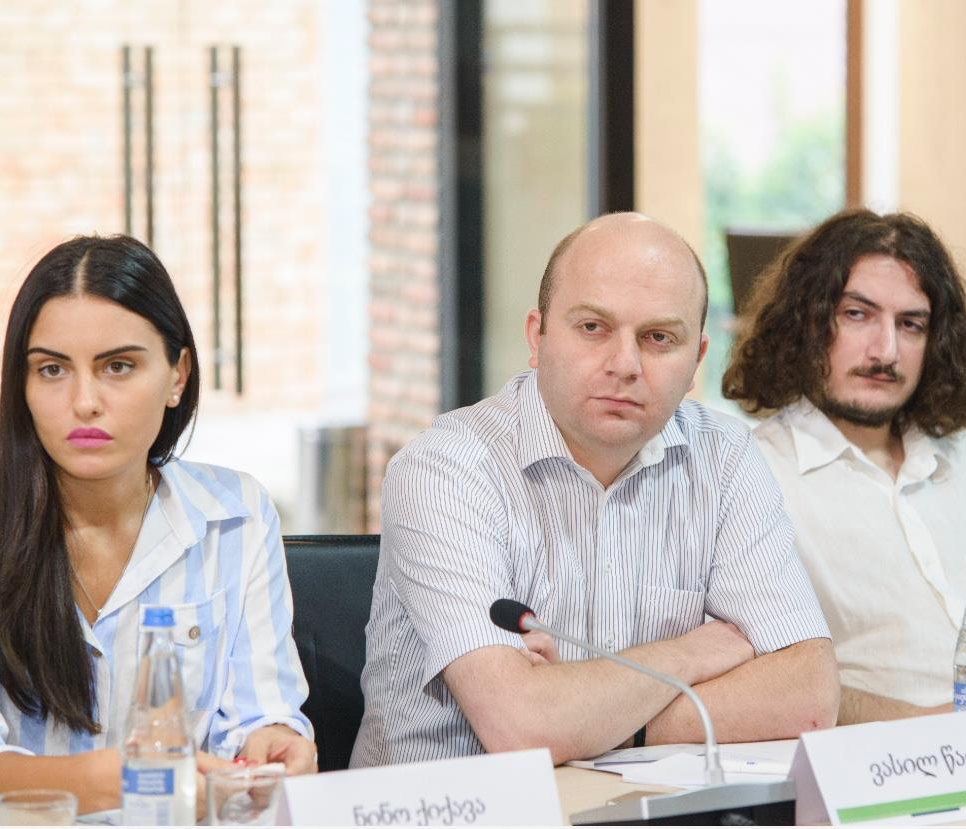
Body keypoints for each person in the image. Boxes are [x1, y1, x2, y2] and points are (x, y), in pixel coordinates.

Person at [352, 212, 839, 768]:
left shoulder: (724, 456)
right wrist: (689, 654)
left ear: (696, 361)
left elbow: (808, 694)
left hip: (645, 803)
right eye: (592, 328)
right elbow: (523, 726)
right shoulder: (446, 470)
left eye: (659, 338)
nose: (625, 365)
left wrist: (588, 718)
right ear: (536, 336)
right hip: (455, 806)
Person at [0, 235, 316, 814]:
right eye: (52, 369)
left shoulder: (236, 516)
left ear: (177, 375)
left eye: (118, 366)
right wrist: (123, 779)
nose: (85, 402)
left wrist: (274, 743)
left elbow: (261, 715)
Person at [723, 208, 966, 724]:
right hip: (881, 760)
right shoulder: (754, 476)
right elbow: (770, 682)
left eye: (911, 325)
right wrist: (937, 728)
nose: (886, 351)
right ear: (805, 323)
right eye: (856, 314)